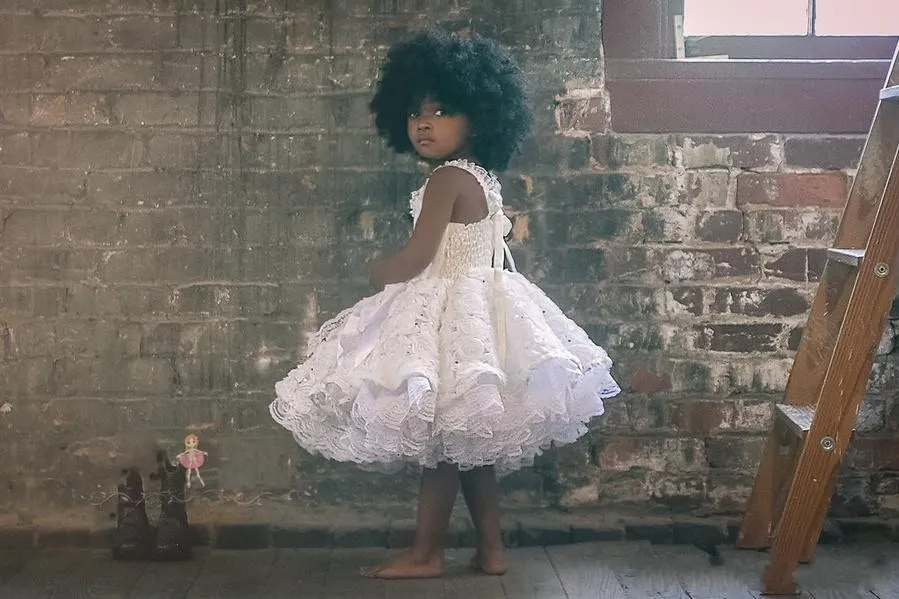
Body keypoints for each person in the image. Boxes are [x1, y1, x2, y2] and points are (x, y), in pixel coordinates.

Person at [270, 29, 621, 580]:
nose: (424, 123)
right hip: (478, 309)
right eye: (415, 112)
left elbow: (417, 258)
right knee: (469, 447)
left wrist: (377, 270)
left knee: (441, 444)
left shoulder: (447, 179)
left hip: (453, 312)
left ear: (479, 117)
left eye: (441, 111)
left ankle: (426, 554)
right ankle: (492, 551)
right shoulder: (481, 178)